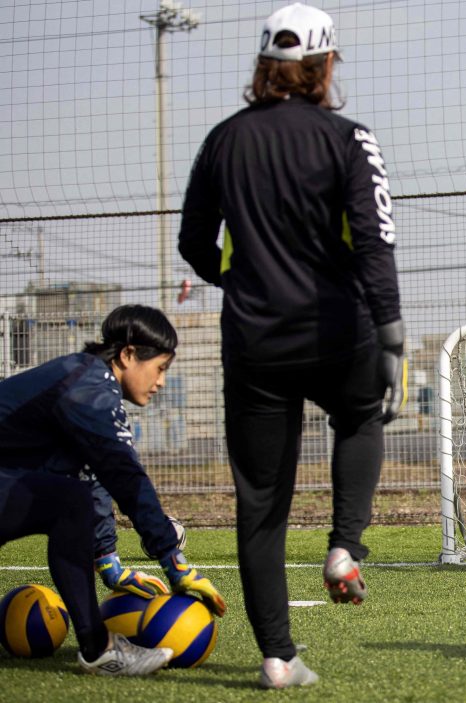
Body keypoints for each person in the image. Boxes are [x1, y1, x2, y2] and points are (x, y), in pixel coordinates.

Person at [178, 2, 405, 689]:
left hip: (253, 341)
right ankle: (344, 547)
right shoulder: (349, 138)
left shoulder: (222, 140)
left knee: (261, 504)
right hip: (338, 329)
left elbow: (193, 242)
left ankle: (277, 657)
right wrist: (391, 331)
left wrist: (237, 276)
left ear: (264, 65)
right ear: (325, 64)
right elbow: (374, 239)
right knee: (363, 415)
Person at [0, 305, 226, 676]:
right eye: (161, 368)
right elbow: (123, 474)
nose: (161, 382)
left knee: (70, 501)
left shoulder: (87, 380)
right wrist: (172, 558)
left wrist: (108, 560)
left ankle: (98, 646)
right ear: (128, 355)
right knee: (69, 503)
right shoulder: (87, 388)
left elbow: (94, 477)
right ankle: (99, 649)